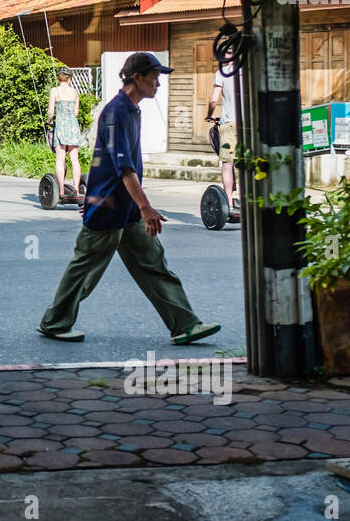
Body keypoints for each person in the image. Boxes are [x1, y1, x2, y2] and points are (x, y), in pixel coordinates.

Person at [37, 52, 219, 346]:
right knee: (84, 271)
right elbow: (124, 168)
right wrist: (146, 207)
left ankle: (185, 324)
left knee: (155, 266)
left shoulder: (133, 110)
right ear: (138, 78)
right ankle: (55, 322)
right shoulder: (116, 112)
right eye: (155, 77)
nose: (158, 83)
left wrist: (140, 207)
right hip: (108, 208)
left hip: (127, 210)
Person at [205, 54, 237, 206]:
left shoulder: (222, 73)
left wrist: (209, 115)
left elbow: (213, 100)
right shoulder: (251, 71)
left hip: (229, 124)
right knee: (248, 162)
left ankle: (229, 202)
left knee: (227, 163)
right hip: (249, 124)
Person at [47, 67, 83, 193]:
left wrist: (49, 121)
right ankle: (77, 189)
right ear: (69, 78)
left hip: (61, 125)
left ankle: (61, 190)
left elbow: (51, 112)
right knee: (75, 159)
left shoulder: (54, 91)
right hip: (73, 126)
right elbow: (76, 113)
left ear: (58, 78)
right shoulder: (75, 92)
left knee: (60, 158)